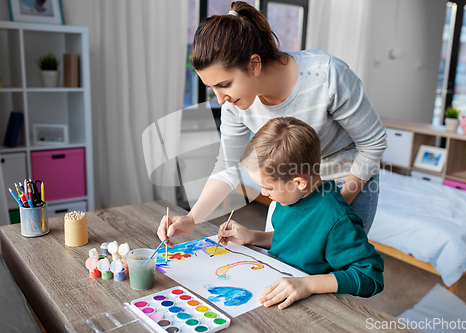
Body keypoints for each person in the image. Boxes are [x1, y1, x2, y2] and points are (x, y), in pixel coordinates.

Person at [157, 1, 387, 244]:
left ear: (254, 64)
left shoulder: (326, 76)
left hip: (345, 179)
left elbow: (373, 143)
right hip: (288, 186)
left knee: (330, 266)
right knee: (278, 260)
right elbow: (227, 166)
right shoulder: (236, 105)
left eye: (224, 84)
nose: (221, 98)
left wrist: (333, 208)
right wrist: (192, 219)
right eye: (212, 87)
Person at [218, 117, 384, 309]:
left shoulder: (336, 218)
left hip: (309, 305)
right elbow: (294, 240)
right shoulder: (291, 197)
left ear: (299, 182)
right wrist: (252, 236)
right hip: (277, 286)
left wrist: (308, 284)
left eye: (268, 187)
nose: (264, 193)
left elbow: (371, 275)